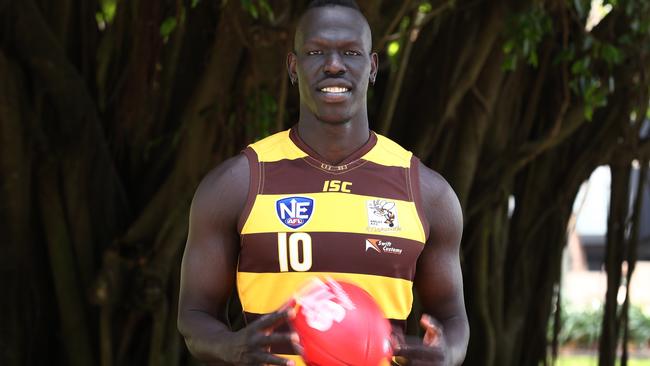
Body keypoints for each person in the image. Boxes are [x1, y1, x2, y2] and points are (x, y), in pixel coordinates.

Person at [177, 0, 469, 365]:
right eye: (316, 52)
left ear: (373, 67)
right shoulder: (237, 184)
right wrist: (228, 347)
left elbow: (454, 318)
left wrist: (448, 353)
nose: (333, 65)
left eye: (350, 52)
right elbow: (194, 315)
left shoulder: (427, 192)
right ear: (293, 66)